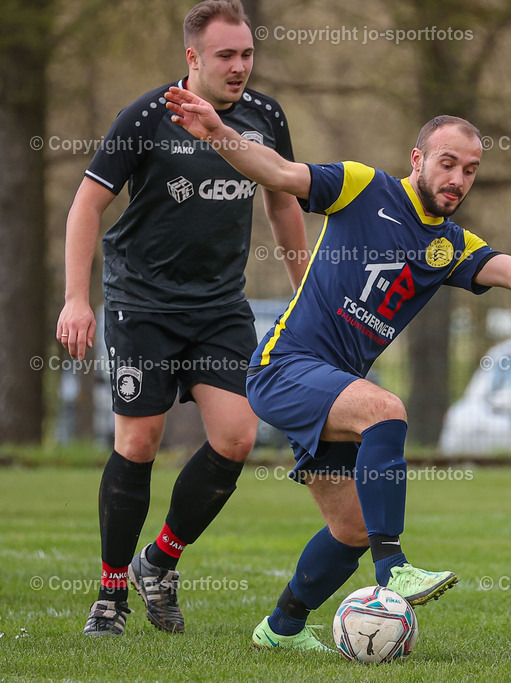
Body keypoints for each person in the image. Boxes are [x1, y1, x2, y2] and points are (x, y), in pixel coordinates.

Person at [163, 86, 511, 650]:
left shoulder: (451, 246)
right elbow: (281, 174)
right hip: (285, 366)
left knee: (350, 529)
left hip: (334, 389)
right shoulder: (365, 187)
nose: (458, 178)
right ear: (418, 160)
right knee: (385, 408)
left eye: (471, 169)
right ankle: (395, 570)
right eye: (447, 162)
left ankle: (282, 628)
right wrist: (218, 132)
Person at [57, 0, 308, 637]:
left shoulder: (265, 117)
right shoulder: (147, 115)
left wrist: (304, 289)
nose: (240, 67)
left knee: (236, 439)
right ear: (192, 58)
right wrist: (77, 299)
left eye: (247, 54)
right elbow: (87, 205)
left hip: (220, 307)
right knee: (138, 443)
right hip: (143, 303)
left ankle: (159, 562)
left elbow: (282, 202)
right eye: (226, 55)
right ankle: (110, 593)